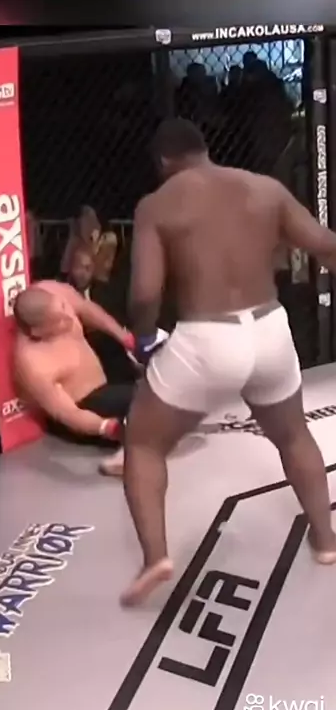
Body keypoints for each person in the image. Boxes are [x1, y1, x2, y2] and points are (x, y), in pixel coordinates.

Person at [121, 116, 336, 607]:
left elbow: (146, 292)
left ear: (163, 160)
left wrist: (145, 336)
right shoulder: (265, 188)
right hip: (269, 328)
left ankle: (155, 558)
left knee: (144, 443)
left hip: (207, 338)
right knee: (294, 434)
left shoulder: (157, 204)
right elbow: (326, 245)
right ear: (205, 149)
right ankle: (326, 539)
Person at [13, 280, 154, 475]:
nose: (68, 319)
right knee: (149, 399)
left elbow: (86, 309)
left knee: (156, 384)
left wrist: (125, 338)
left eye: (64, 308)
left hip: (103, 382)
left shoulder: (53, 292)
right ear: (37, 333)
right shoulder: (33, 363)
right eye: (58, 321)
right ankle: (125, 455)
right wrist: (108, 428)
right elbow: (68, 414)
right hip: (84, 408)